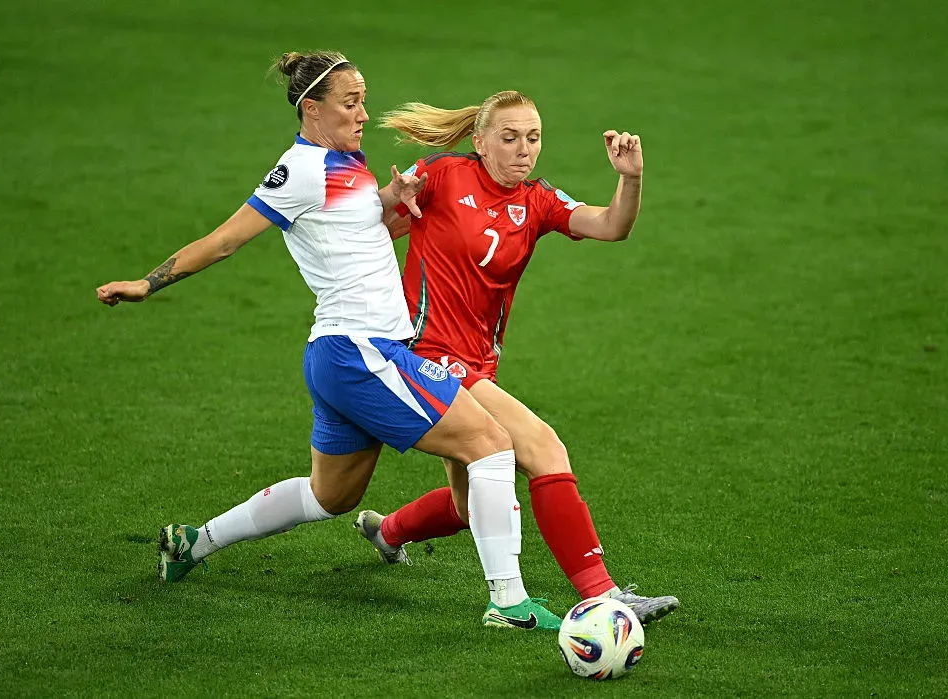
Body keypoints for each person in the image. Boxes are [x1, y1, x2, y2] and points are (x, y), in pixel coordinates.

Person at [96, 55, 562, 630]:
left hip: (340, 357)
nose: (363, 114)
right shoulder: (300, 171)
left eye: (363, 100)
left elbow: (353, 229)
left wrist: (391, 197)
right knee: (490, 444)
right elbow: (224, 241)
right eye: (350, 103)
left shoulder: (347, 163)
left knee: (331, 496)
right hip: (362, 351)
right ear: (312, 109)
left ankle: (195, 542)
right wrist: (148, 283)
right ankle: (509, 602)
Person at [352, 90, 680, 623]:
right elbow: (367, 222)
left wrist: (632, 178)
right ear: (481, 142)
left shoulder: (537, 201)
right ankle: (603, 596)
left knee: (468, 507)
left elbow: (611, 226)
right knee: (543, 447)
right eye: (509, 138)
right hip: (425, 352)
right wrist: (391, 202)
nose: (523, 149)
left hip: (478, 361)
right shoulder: (441, 175)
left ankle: (386, 531)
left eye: (533, 137)